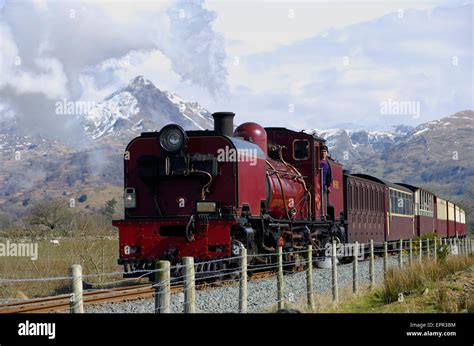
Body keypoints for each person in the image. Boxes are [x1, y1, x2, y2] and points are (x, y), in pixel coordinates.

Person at [320, 145, 332, 217]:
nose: (323, 153)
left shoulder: (327, 164)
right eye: (322, 152)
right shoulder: (318, 161)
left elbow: (329, 176)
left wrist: (329, 186)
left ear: (326, 153)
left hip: (323, 184)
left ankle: (324, 212)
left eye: (324, 152)